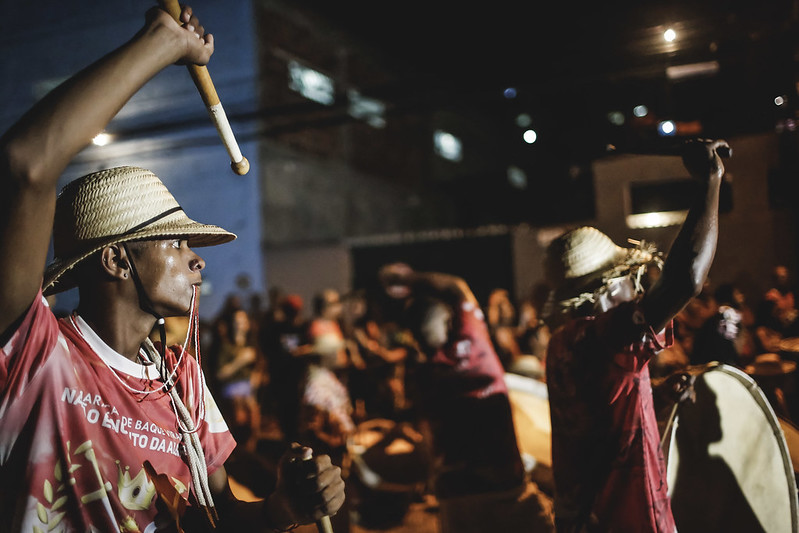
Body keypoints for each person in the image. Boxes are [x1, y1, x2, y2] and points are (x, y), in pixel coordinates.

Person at [0, 5, 344, 532]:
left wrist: (284, 510)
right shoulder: (37, 356)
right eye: (174, 242)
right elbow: (26, 164)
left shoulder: (178, 382)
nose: (197, 257)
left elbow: (221, 519)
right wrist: (161, 45)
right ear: (116, 258)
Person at [542, 138, 730, 532]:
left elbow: (600, 422)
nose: (639, 289)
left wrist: (658, 397)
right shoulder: (603, 335)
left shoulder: (565, 343)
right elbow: (686, 279)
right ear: (609, 290)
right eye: (631, 280)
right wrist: (710, 182)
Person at [377, 263, 555, 533]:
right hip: (503, 483)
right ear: (450, 323)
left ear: (413, 338)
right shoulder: (474, 350)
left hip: (457, 495)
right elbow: (456, 286)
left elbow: (427, 439)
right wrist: (410, 278)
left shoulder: (423, 380)